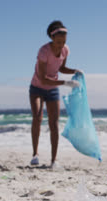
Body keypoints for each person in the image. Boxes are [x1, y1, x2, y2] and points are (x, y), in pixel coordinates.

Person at [29, 20, 81, 169]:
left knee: (54, 123)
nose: (61, 45)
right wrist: (65, 83)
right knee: (37, 117)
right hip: (37, 88)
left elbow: (61, 68)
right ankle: (35, 154)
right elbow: (44, 79)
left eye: (64, 41)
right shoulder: (44, 51)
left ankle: (53, 160)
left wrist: (75, 71)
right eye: (58, 42)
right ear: (52, 38)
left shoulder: (65, 50)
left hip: (52, 89)